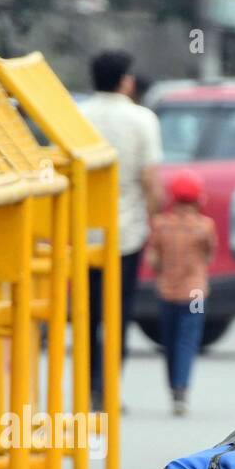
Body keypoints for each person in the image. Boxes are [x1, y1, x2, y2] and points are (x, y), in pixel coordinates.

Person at [81, 49, 164, 411]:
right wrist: (155, 218)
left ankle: (89, 386)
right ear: (125, 81)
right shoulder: (142, 119)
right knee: (118, 313)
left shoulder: (77, 116)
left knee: (87, 314)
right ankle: (108, 389)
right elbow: (149, 180)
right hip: (126, 233)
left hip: (83, 232)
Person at [144, 170, 216, 415]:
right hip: (195, 293)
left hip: (168, 292)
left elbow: (153, 260)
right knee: (188, 339)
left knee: (170, 341)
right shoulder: (204, 226)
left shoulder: (161, 225)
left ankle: (172, 387)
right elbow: (209, 255)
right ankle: (182, 389)